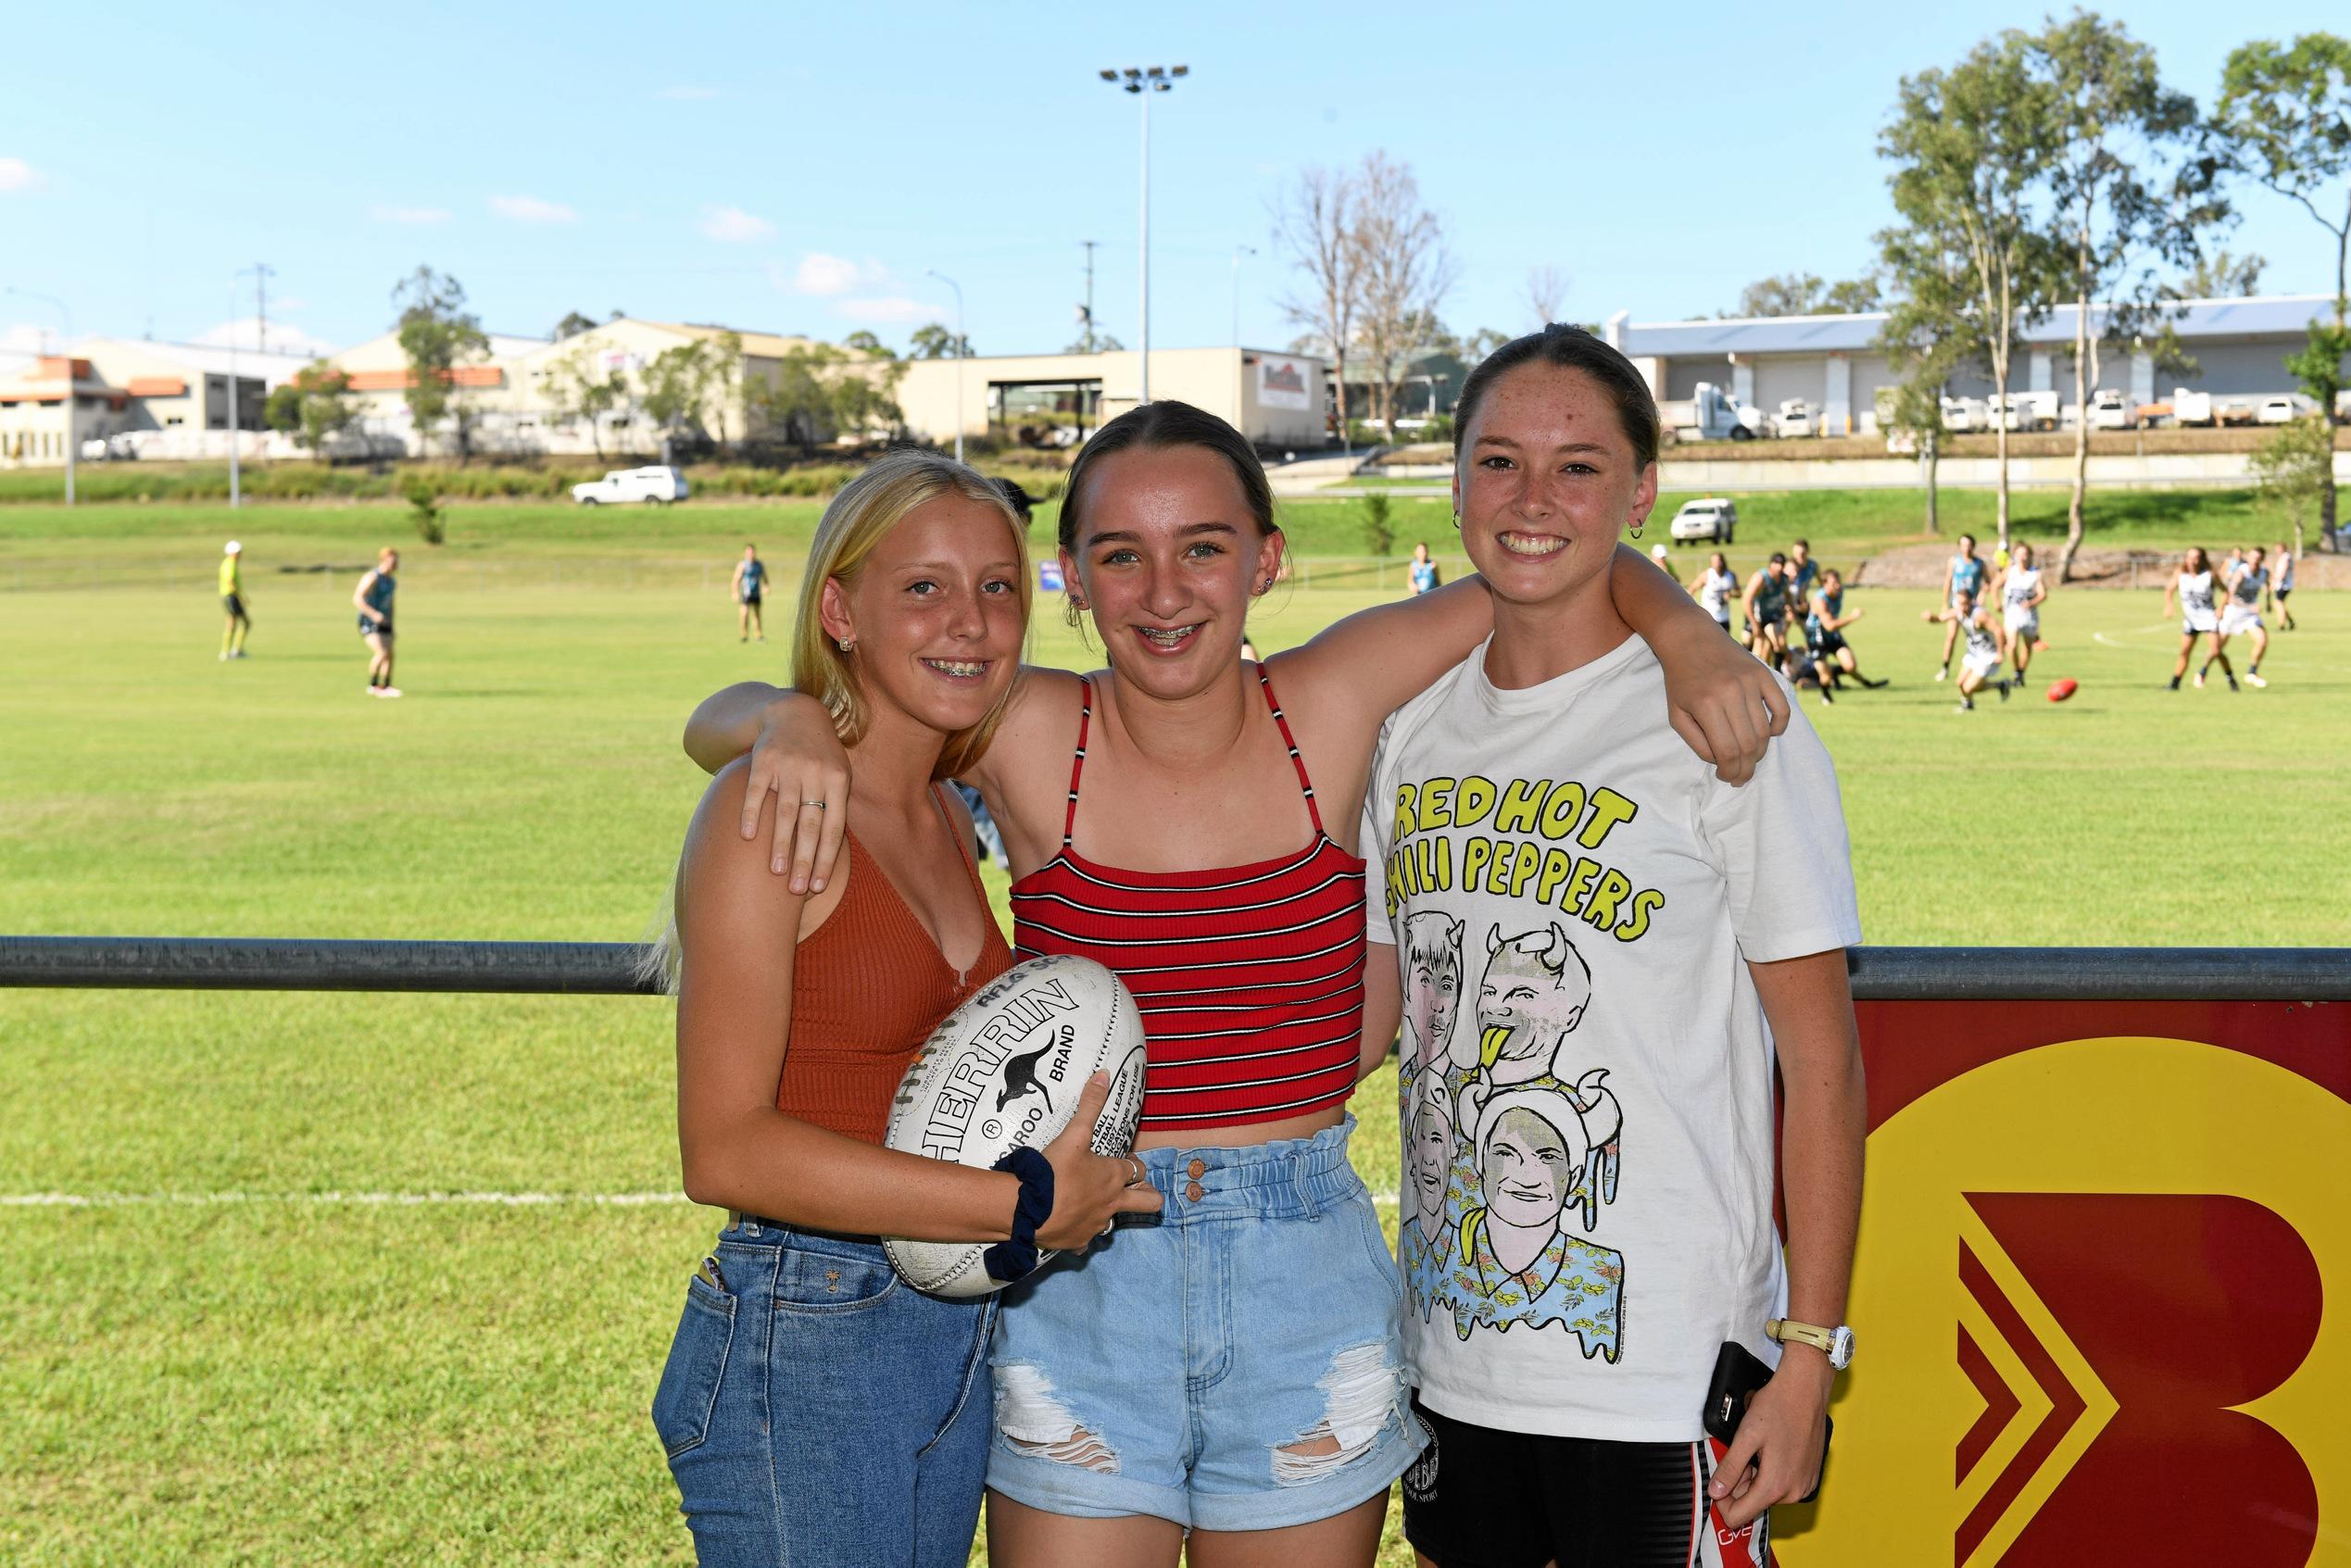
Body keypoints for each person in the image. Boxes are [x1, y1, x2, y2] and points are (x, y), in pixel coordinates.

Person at [684, 395, 1788, 1565]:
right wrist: (783, 715)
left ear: (1266, 558)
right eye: (1122, 555)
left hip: (1301, 1276)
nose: (1165, 593)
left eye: (1204, 547)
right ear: (1073, 575)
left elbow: (1550, 563)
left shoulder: (1332, 697)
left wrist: (1687, 632)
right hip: (1080, 1267)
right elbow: (762, 720)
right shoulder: (1021, 723)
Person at [1358, 325, 1863, 1567]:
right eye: (1497, 461)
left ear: (1640, 492)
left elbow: (1824, 1061)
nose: (1532, 499)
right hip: (1454, 1357)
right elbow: (1381, 1021)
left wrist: (1807, 1355)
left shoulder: (1728, 719)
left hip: (1659, 1375)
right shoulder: (1403, 722)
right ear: (1455, 478)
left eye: (1578, 466)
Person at [647, 451, 1160, 1567]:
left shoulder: (940, 807)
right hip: (807, 1326)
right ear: (840, 608)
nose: (969, 623)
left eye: (997, 587)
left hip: (949, 1324)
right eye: (922, 587)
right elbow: (722, 1149)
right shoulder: (770, 805)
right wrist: (1017, 1203)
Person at [1923, 587, 2010, 711]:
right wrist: (1930, 617)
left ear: (1971, 601)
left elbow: (1999, 631)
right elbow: (1941, 618)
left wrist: (2001, 653)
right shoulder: (1958, 611)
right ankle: (1969, 704)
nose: (1962, 607)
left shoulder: (1980, 615)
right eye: (1960, 603)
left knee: (1968, 688)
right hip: (1973, 653)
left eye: (1965, 603)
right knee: (1960, 683)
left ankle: (1999, 685)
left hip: (1987, 655)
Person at [2165, 546, 2230, 692]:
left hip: (2208, 618)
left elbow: (2226, 592)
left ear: (2202, 559)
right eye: (2189, 557)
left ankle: (2230, 678)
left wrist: (2221, 608)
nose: (2192, 561)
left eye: (2196, 558)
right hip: (2191, 620)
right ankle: (2175, 683)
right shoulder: (2181, 574)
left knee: (2216, 651)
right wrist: (2169, 606)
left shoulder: (2209, 575)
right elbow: (2169, 590)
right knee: (2184, 652)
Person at [1804, 569, 1882, 688]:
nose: (1838, 586)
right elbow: (1829, 626)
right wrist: (1853, 617)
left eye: (1839, 582)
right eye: (1834, 584)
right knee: (1825, 678)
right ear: (1824, 584)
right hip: (1817, 638)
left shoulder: (1839, 592)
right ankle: (1825, 694)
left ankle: (1863, 682)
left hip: (1832, 635)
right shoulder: (1820, 601)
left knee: (1850, 666)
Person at [1935, 533, 1988, 682]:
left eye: (1969, 544)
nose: (1967, 548)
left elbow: (1988, 583)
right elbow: (1948, 581)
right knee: (1951, 637)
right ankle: (1945, 668)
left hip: (1972, 609)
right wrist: (1945, 603)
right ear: (1959, 546)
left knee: (1975, 638)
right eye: (1964, 545)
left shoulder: (1979, 563)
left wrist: (1983, 594)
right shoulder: (1954, 561)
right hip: (1955, 606)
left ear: (1973, 546)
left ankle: (1978, 667)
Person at [2219, 545, 2271, 688]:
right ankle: (2202, 672)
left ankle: (2252, 673)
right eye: (2253, 557)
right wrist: (2249, 606)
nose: (2255, 560)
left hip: (2249, 615)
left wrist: (2268, 602)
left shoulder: (2264, 573)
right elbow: (2230, 596)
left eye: (2259, 558)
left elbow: (2267, 585)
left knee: (2262, 641)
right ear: (2248, 557)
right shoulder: (2241, 573)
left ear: (2262, 559)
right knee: (2216, 648)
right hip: (2234, 612)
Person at [1995, 541, 2048, 683]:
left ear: (2030, 556)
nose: (2022, 558)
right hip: (2011, 614)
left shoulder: (2035, 574)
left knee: (2027, 646)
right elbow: (1995, 585)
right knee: (2011, 646)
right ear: (2015, 556)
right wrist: (1996, 602)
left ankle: (2020, 672)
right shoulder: (2010, 571)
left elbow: (2043, 594)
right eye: (2019, 554)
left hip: (2029, 615)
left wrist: (2031, 602)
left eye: (2025, 555)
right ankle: (2016, 669)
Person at [353, 547, 400, 698]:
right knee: (381, 652)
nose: (395, 564)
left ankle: (386, 685)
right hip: (369, 621)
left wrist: (391, 624)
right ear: (384, 560)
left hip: (385, 621)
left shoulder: (391, 581)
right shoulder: (372, 577)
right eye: (392, 561)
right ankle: (373, 685)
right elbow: (357, 598)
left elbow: (390, 604)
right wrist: (374, 614)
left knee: (390, 654)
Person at [1741, 553, 1792, 661]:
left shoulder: (1784, 579)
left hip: (1771, 616)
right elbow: (1746, 600)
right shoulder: (1761, 577)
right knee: (1752, 644)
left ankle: (1776, 674)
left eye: (1782, 564)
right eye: (1777, 563)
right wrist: (1754, 623)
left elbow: (1788, 595)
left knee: (1779, 643)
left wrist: (1791, 609)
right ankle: (1747, 669)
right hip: (1756, 616)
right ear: (1771, 564)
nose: (1779, 567)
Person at [1691, 550, 1740, 635]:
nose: (1717, 563)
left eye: (1719, 560)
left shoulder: (1731, 576)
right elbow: (1692, 589)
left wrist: (1731, 595)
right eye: (1714, 561)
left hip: (1724, 617)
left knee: (1724, 645)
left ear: (1723, 561)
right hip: (1709, 618)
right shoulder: (1706, 575)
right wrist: (1690, 607)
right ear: (1711, 563)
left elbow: (1739, 594)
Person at [219, 540, 252, 661]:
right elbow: (230, 581)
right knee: (233, 623)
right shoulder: (230, 563)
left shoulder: (229, 563)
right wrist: (241, 597)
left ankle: (234, 650)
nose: (240, 554)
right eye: (238, 552)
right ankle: (228, 652)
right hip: (230, 596)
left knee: (244, 623)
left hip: (230, 596)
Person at [731, 543, 768, 642]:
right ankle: (744, 635)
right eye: (748, 552)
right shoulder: (743, 565)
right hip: (746, 594)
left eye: (752, 552)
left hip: (756, 594)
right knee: (744, 614)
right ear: (745, 553)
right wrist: (735, 592)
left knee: (756, 615)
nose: (751, 554)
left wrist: (766, 586)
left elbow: (765, 578)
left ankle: (759, 635)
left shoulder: (759, 565)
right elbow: (736, 580)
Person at [2270, 541, 2298, 631]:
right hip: (2282, 584)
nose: (2277, 550)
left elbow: (2284, 570)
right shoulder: (2283, 557)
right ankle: (2291, 621)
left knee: (2279, 604)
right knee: (2279, 604)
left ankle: (2281, 625)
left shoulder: (2286, 557)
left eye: (2278, 548)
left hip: (2284, 585)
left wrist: (2276, 582)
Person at [1785, 537, 1818, 604]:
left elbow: (1822, 583)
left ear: (1807, 551)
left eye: (1802, 554)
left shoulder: (1813, 566)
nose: (1798, 557)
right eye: (1796, 553)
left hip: (1802, 600)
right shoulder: (1789, 565)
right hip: (1788, 600)